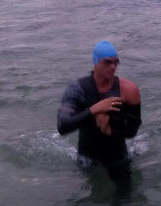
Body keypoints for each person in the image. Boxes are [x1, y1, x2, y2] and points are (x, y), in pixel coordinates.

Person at [57, 41, 142, 196]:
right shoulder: (78, 89)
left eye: (116, 62)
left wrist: (111, 127)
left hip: (118, 155)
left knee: (124, 198)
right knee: (85, 200)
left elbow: (132, 131)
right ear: (96, 62)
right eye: (108, 62)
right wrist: (94, 111)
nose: (113, 67)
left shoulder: (129, 90)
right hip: (87, 157)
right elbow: (63, 126)